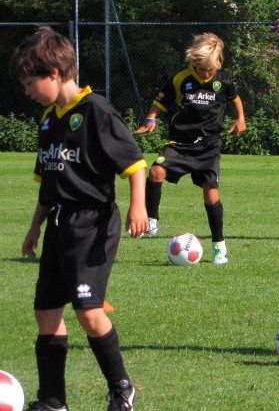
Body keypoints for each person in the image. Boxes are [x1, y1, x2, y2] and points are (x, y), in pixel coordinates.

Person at [11, 26, 146, 411]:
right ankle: (54, 401)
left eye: (29, 83)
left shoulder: (96, 110)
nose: (27, 92)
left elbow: (135, 164)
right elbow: (48, 181)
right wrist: (34, 227)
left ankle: (122, 387)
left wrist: (139, 206)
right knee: (46, 312)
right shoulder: (50, 120)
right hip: (58, 222)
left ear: (53, 73)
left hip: (93, 223)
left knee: (88, 312)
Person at [135, 33, 245, 264]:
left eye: (210, 69)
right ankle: (152, 220)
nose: (206, 74)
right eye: (202, 69)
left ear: (219, 62)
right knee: (155, 172)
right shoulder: (180, 79)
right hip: (180, 143)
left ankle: (219, 246)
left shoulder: (224, 80)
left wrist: (240, 119)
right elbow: (161, 101)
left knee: (210, 193)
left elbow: (235, 98)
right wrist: (151, 119)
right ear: (194, 63)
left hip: (209, 146)